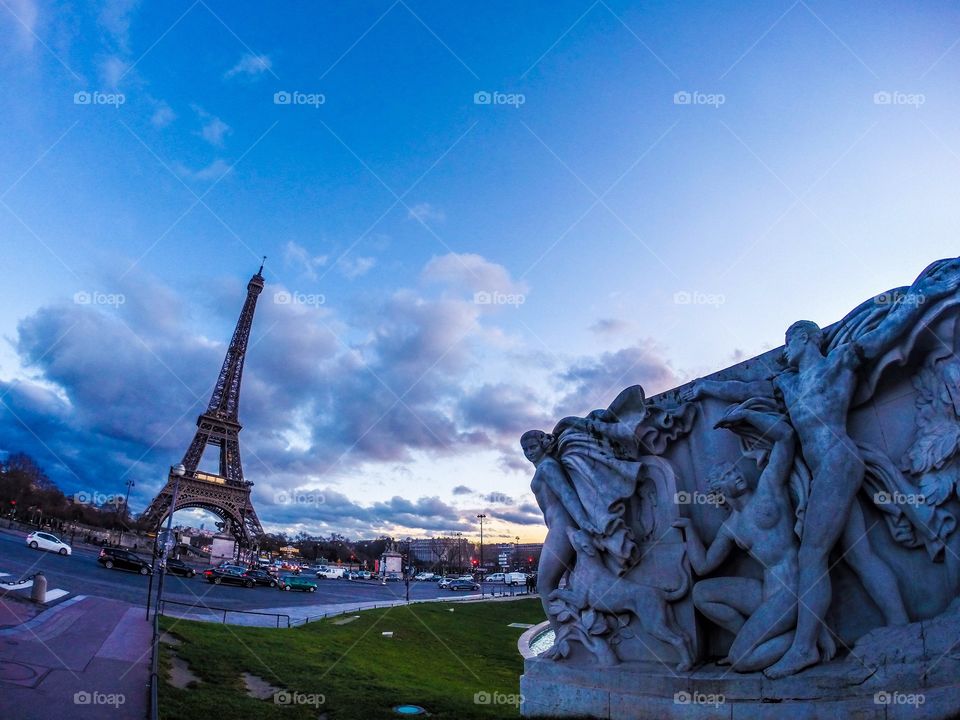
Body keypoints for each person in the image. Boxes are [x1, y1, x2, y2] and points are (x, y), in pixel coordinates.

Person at [682, 260, 960, 677]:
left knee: (812, 555)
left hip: (837, 461)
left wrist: (926, 295)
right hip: (822, 471)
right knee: (861, 555)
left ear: (805, 338)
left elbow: (891, 332)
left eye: (789, 340)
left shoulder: (839, 362)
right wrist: (705, 388)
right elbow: (743, 388)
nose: (787, 349)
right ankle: (900, 625)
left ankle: (804, 646)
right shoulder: (789, 385)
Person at [673, 405, 833, 672]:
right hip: (766, 593)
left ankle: (804, 641)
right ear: (718, 492)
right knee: (702, 593)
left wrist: (747, 416)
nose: (734, 474)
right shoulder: (731, 527)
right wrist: (688, 528)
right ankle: (759, 639)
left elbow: (785, 438)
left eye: (733, 470)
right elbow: (702, 567)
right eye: (725, 476)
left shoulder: (768, 488)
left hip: (792, 589)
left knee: (742, 661)